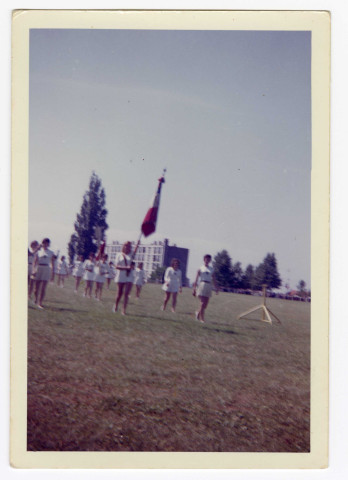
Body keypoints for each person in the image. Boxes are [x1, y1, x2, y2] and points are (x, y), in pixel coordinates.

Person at [113, 241, 137, 315]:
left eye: (129, 246)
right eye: (126, 245)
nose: (128, 247)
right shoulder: (119, 255)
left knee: (126, 293)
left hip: (129, 275)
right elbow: (116, 266)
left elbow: (136, 250)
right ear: (123, 246)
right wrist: (126, 267)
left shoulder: (131, 255)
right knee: (119, 294)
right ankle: (116, 305)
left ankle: (123, 310)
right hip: (121, 275)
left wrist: (138, 243)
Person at [192, 254, 219, 323]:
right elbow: (196, 279)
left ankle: (198, 313)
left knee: (205, 305)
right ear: (204, 260)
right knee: (202, 303)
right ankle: (202, 319)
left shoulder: (211, 269)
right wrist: (194, 289)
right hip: (202, 285)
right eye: (206, 259)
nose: (207, 260)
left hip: (209, 285)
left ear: (210, 260)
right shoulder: (200, 268)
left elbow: (214, 279)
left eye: (209, 259)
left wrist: (216, 288)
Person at [32, 238, 55, 309]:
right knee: (36, 288)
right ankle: (36, 299)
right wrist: (34, 270)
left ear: (48, 244)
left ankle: (40, 302)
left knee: (43, 287)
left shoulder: (51, 252)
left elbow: (52, 263)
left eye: (47, 243)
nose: (45, 244)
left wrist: (52, 274)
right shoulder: (38, 252)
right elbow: (35, 262)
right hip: (39, 268)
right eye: (44, 243)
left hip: (46, 269)